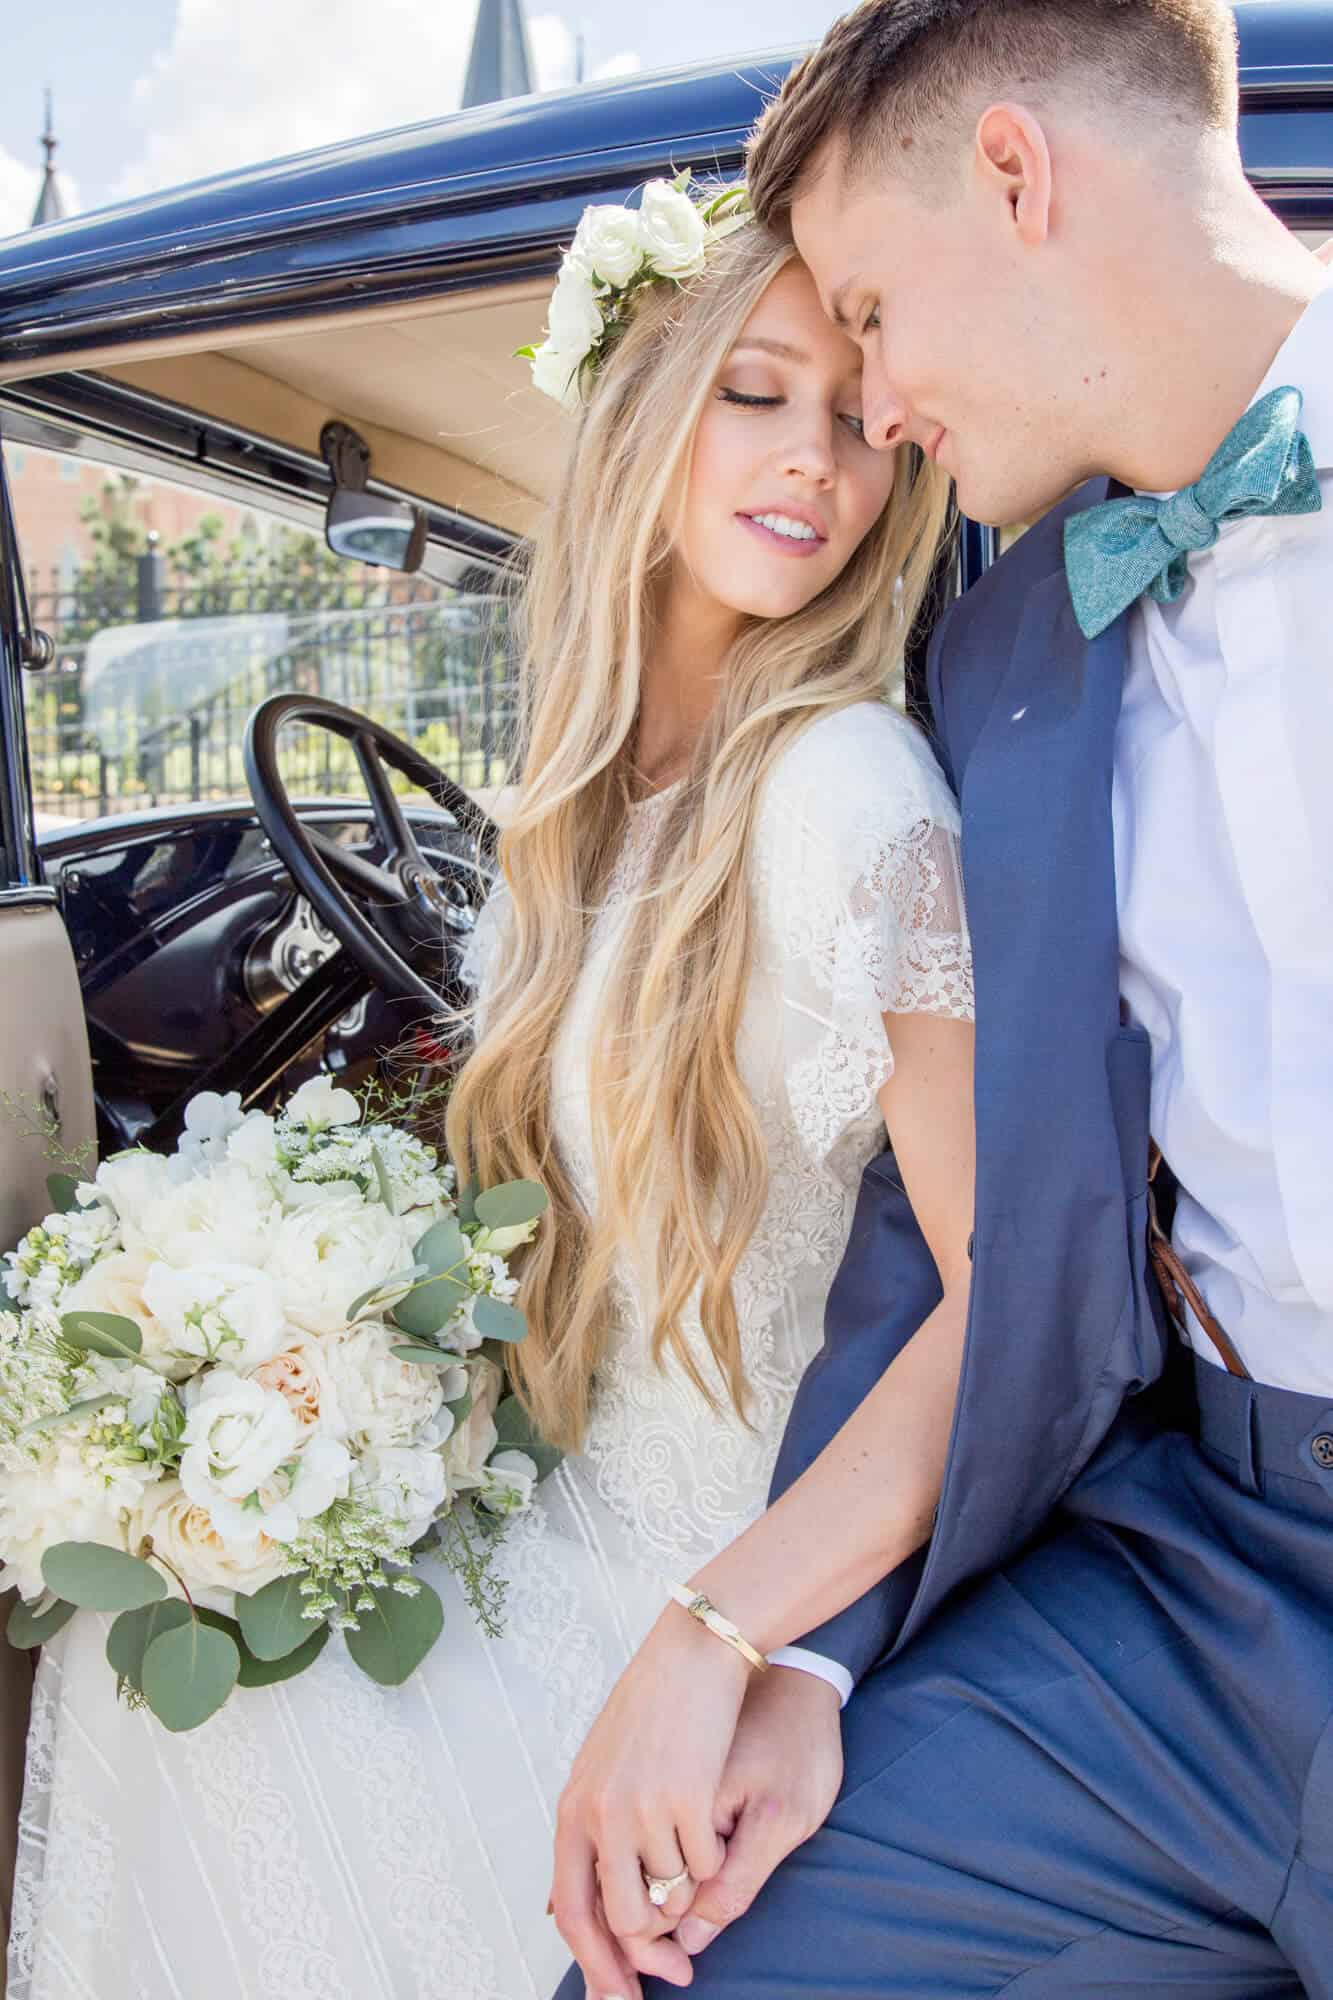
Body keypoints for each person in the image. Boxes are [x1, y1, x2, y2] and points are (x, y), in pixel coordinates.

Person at [8, 205, 974, 1999]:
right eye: (753, 394)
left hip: (707, 1577)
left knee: (154, 1694)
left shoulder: (851, 794)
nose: (811, 463)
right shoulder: (594, 799)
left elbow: (1013, 1306)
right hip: (561, 1502)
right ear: (637, 421)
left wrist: (725, 1635)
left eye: (856, 417)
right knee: (136, 1629)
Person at [548, 5, 1333, 1996]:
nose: (870, 413)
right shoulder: (998, 655)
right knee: (662, 1956)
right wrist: (787, 1642)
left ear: (1016, 174)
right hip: (1197, 1574)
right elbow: (958, 1235)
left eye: (875, 315)